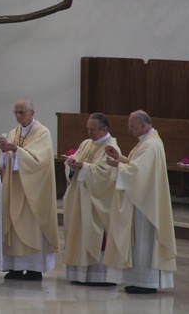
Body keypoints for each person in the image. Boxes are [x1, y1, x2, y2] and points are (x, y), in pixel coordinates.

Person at [103, 110, 176, 294]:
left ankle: (146, 282)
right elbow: (136, 166)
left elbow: (137, 173)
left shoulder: (150, 144)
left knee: (144, 241)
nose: (130, 130)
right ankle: (139, 280)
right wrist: (119, 158)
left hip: (146, 203)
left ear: (143, 125)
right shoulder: (146, 142)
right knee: (139, 242)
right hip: (142, 198)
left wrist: (117, 165)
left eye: (131, 126)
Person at [0, 99, 59, 281]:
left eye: (22, 112)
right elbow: (3, 160)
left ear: (32, 112)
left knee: (31, 226)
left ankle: (34, 268)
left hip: (34, 191)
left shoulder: (42, 133)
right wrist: (2, 151)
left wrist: (17, 151)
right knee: (14, 227)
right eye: (15, 112)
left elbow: (41, 161)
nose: (18, 116)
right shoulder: (12, 133)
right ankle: (13, 267)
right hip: (14, 189)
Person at [62, 112, 120, 284]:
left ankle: (99, 275)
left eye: (93, 130)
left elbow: (107, 174)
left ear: (104, 129)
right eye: (88, 129)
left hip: (97, 201)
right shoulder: (86, 144)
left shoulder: (111, 147)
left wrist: (84, 167)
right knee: (78, 232)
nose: (89, 133)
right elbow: (74, 162)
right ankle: (78, 273)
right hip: (80, 198)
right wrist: (71, 165)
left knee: (95, 234)